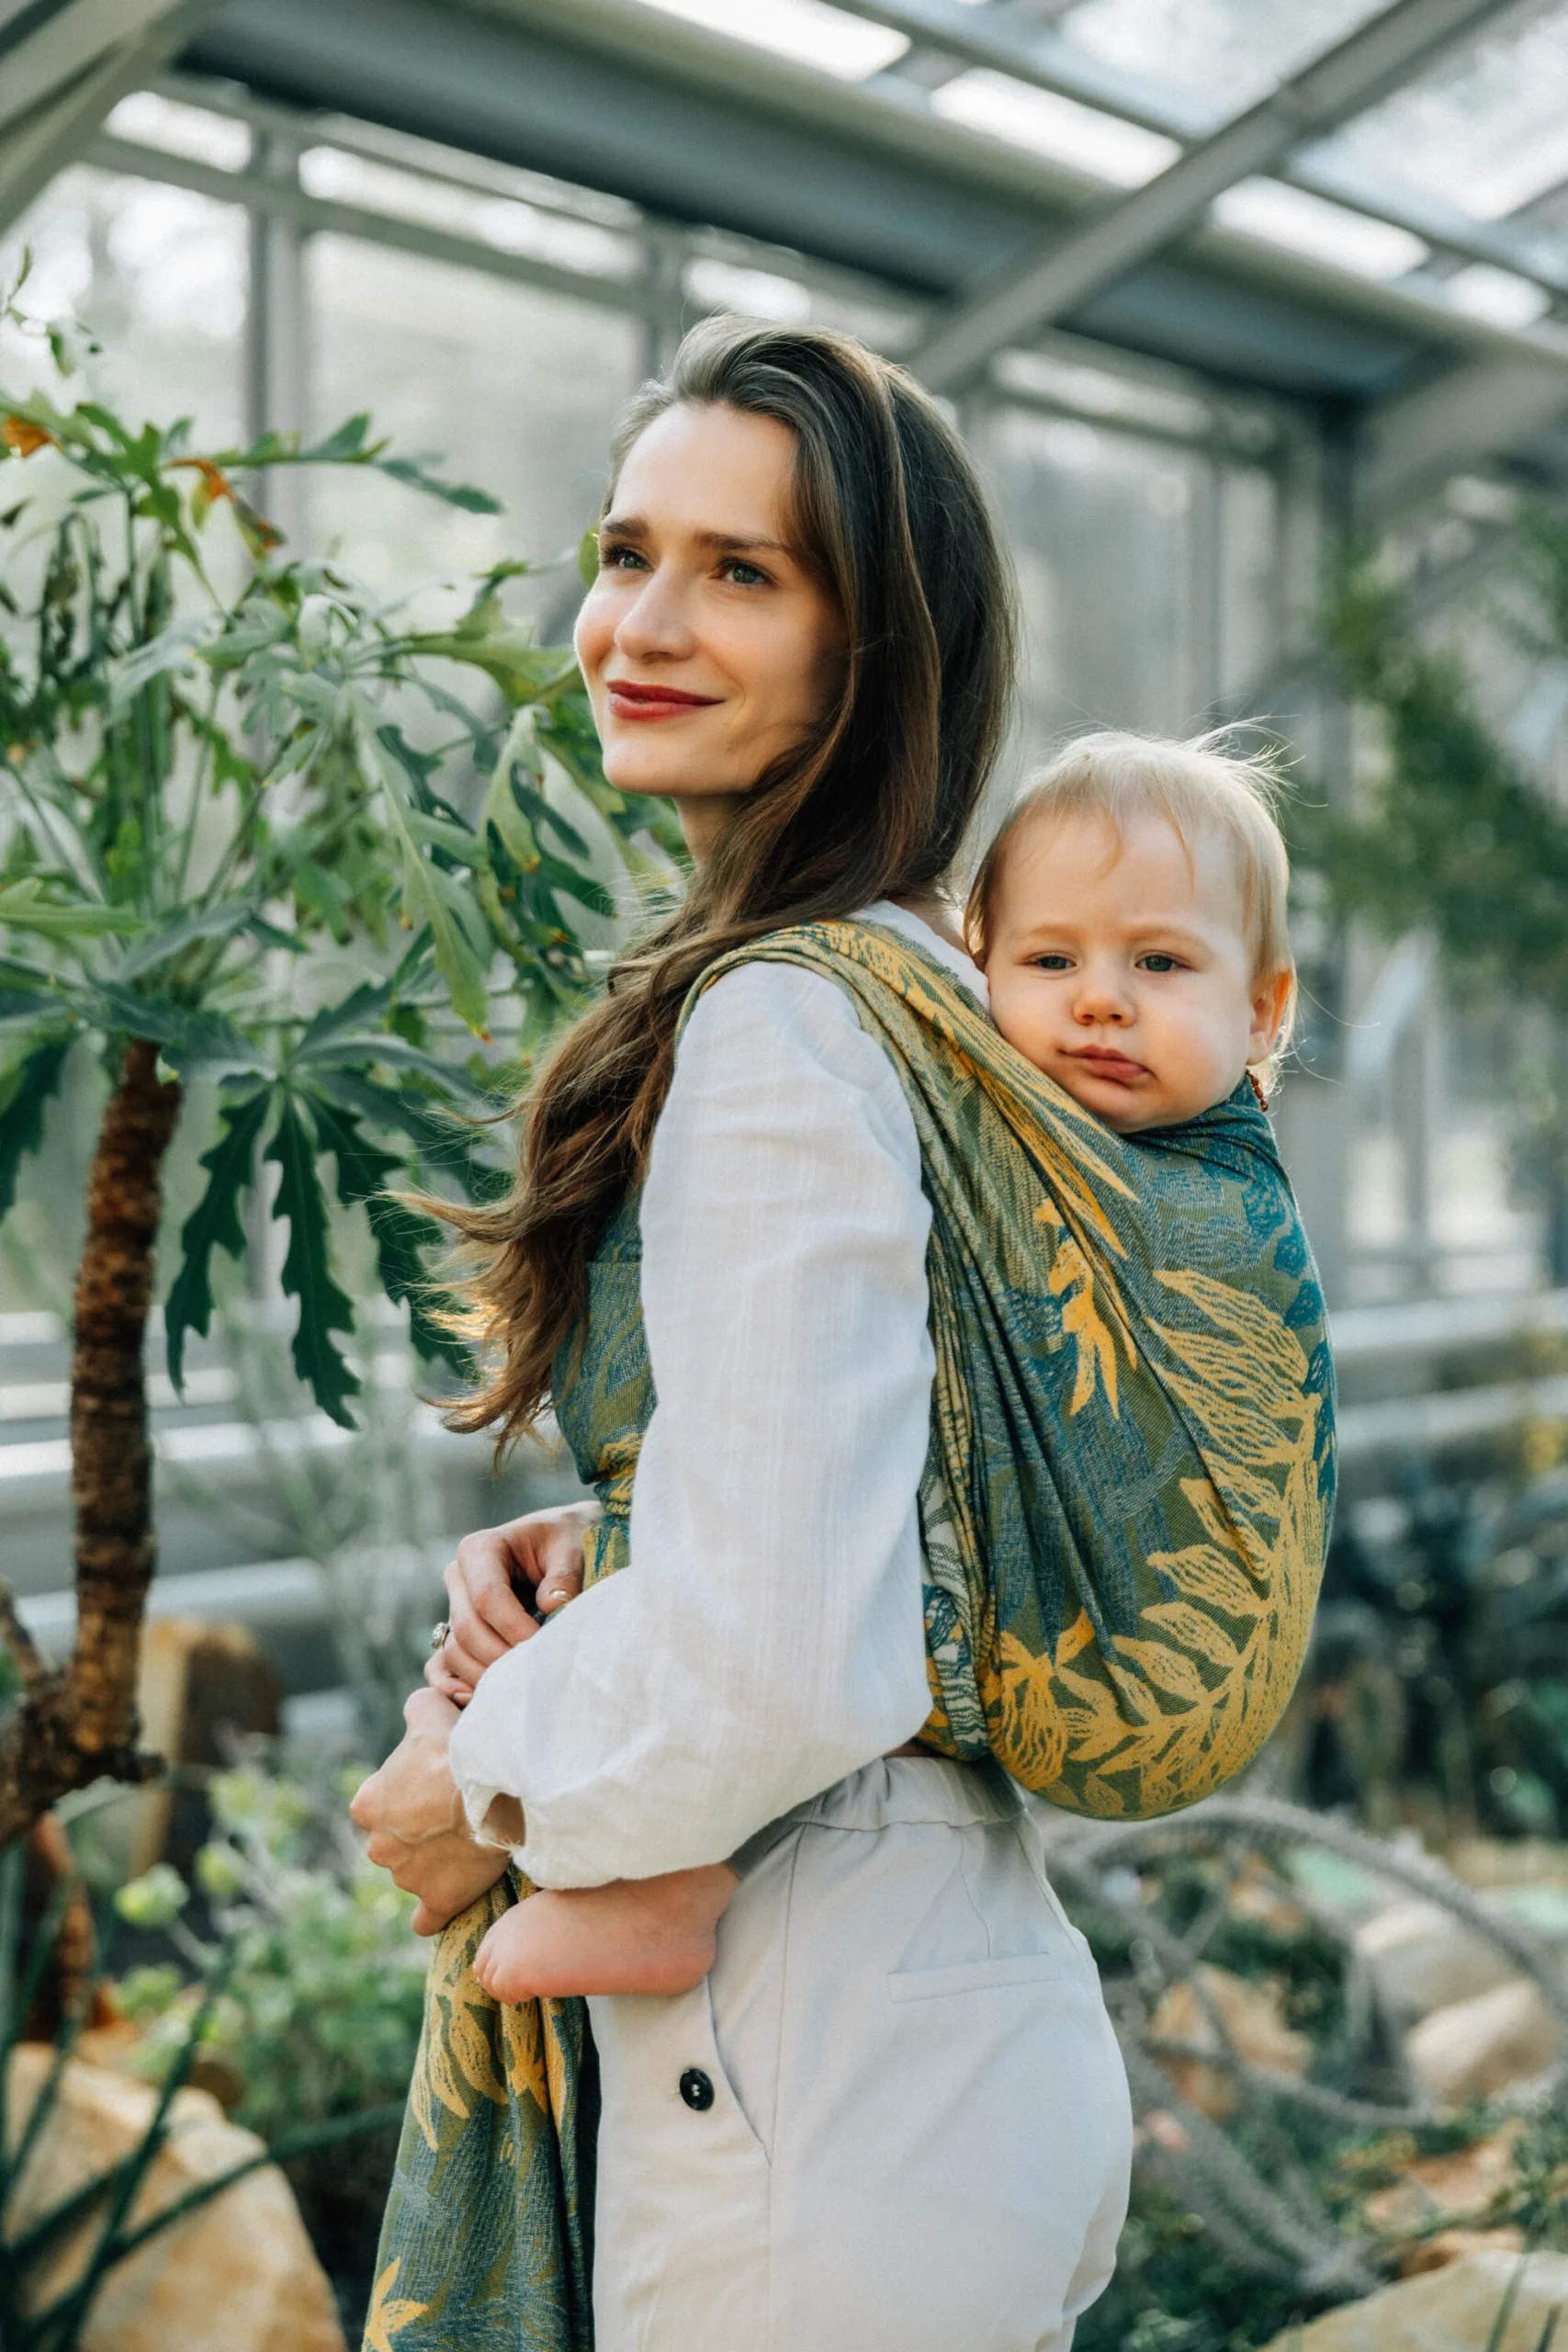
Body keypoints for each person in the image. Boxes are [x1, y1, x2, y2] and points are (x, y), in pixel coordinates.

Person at [350, 318, 1332, 2352]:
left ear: (874, 645)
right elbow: (888, 1486)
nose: (643, 622)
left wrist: (479, 1779)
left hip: (812, 2074)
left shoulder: (790, 1018)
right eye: (628, 551)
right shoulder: (916, 984)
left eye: (742, 571)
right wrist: (620, 1544)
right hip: (906, 2040)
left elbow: (790, 1648)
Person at [452, 726, 1302, 2006]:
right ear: (975, 974)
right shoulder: (976, 1119)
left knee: (809, 1597)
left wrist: (471, 1766)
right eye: (1049, 960)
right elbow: (870, 1409)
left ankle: (659, 1874)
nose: (1100, 1000)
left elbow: (796, 1614)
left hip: (923, 1804)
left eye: (1160, 963)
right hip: (930, 1862)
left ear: (1264, 1009)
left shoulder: (1194, 1188)